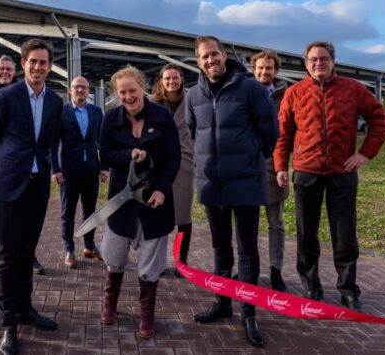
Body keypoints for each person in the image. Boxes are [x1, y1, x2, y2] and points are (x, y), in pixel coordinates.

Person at [274, 41, 385, 311]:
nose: (318, 63)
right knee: (306, 234)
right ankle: (311, 286)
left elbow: (379, 120)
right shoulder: (294, 93)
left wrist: (364, 154)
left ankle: (348, 289)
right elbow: (283, 134)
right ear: (306, 63)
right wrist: (281, 166)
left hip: (342, 173)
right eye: (313, 59)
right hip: (306, 172)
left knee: (344, 234)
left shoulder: (353, 90)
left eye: (323, 59)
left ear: (333, 61)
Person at [187, 36, 278, 348]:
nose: (210, 61)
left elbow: (270, 132)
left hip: (245, 182)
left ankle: (249, 312)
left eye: (214, 54)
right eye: (204, 57)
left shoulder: (251, 88)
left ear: (223, 55)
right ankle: (222, 302)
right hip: (212, 185)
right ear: (198, 62)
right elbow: (193, 132)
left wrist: (251, 159)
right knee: (220, 247)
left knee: (247, 250)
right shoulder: (193, 94)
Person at [0, 38, 63, 355]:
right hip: (7, 186)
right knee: (7, 256)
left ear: (48, 66)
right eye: (33, 62)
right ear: (23, 63)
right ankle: (8, 324)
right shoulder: (6, 97)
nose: (39, 67)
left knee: (27, 251)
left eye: (44, 62)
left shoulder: (55, 101)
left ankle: (26, 310)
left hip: (38, 185)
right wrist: (6, 167)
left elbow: (51, 140)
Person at [98, 65, 180, 339]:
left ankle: (147, 315)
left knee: (150, 264)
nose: (128, 96)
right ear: (115, 94)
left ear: (142, 87)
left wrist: (162, 190)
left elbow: (173, 158)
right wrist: (128, 154)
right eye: (122, 92)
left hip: (154, 202)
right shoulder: (110, 118)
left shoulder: (162, 116)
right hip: (121, 201)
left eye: (132, 90)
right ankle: (110, 304)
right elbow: (105, 155)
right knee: (114, 257)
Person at [0, 55, 46, 280]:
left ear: (14, 71)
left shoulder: (22, 95)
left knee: (25, 217)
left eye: (9, 69)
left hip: (22, 169)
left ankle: (29, 256)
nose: (5, 72)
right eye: (1, 69)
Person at [52, 76, 109, 269]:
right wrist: (55, 169)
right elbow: (53, 144)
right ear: (70, 90)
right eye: (76, 87)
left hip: (91, 169)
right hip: (68, 171)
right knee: (67, 212)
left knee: (90, 211)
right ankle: (69, 250)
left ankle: (89, 246)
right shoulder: (62, 112)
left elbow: (104, 141)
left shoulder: (96, 112)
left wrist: (104, 167)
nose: (80, 91)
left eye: (84, 87)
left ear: (89, 91)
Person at [250, 50, 289, 292]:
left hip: (274, 165)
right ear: (254, 70)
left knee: (276, 222)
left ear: (276, 71)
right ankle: (250, 266)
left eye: (269, 68)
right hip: (249, 166)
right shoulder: (245, 92)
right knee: (248, 222)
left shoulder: (286, 96)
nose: (265, 72)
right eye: (261, 68)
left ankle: (276, 269)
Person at [151, 63, 195, 277]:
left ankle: (181, 260)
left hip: (185, 163)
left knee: (183, 216)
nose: (171, 82)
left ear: (181, 79)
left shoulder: (191, 100)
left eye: (175, 78)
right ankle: (157, 260)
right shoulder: (153, 103)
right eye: (167, 78)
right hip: (160, 163)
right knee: (158, 213)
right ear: (161, 80)